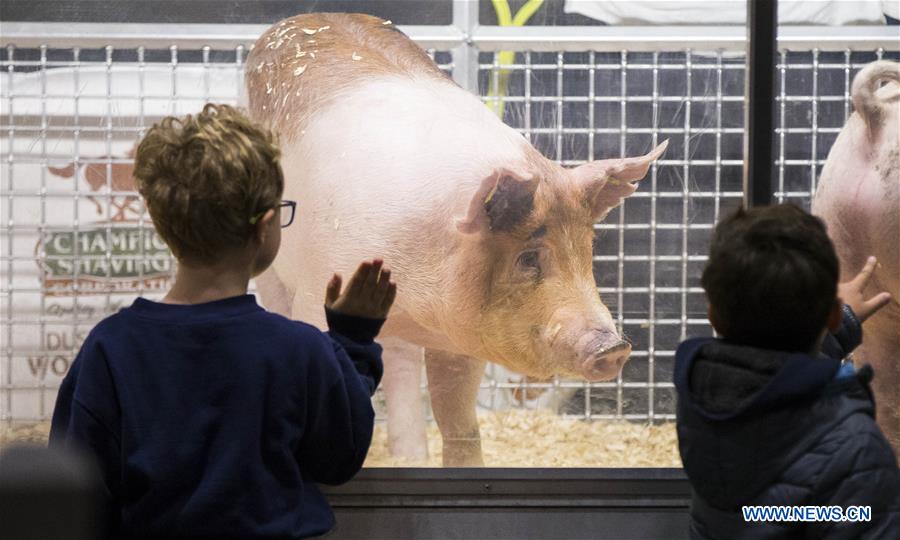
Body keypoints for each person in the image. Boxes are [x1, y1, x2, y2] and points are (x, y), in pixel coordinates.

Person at [49, 103, 396, 539]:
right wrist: (353, 339)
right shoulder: (299, 348)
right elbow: (339, 457)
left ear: (163, 223)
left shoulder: (110, 349)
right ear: (265, 226)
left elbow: (74, 495)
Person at [674, 204, 900, 539]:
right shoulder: (859, 445)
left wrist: (835, 330)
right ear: (834, 315)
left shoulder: (699, 395)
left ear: (713, 315)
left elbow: (768, 386)